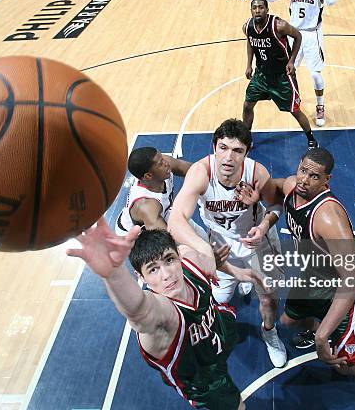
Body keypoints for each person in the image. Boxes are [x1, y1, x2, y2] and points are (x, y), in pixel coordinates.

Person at [239, 148, 355, 404]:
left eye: (314, 176)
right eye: (303, 170)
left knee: (345, 364)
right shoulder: (295, 186)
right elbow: (280, 187)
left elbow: (352, 279)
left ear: (327, 180)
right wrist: (258, 196)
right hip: (315, 274)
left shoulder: (328, 218)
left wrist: (322, 335)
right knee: (289, 320)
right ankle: (323, 326)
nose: (304, 179)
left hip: (348, 286)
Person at [67, 220, 247, 409]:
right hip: (203, 379)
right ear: (141, 277)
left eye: (169, 260)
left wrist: (222, 264)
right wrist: (114, 274)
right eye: (153, 269)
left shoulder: (191, 261)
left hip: (218, 330)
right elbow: (139, 311)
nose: (167, 274)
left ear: (179, 257)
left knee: (226, 322)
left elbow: (179, 217)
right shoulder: (162, 315)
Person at [168, 118, 288, 368]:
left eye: (237, 150)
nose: (229, 157)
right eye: (223, 147)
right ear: (214, 147)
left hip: (259, 244)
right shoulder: (201, 172)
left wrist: (264, 224)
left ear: (247, 151)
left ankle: (269, 332)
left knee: (268, 298)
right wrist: (207, 252)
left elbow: (276, 204)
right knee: (217, 301)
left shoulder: (256, 172)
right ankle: (220, 328)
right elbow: (176, 221)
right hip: (221, 247)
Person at [242, 0, 318, 149]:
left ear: (267, 9)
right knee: (247, 105)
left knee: (294, 110)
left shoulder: (279, 25)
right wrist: (248, 65)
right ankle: (247, 138)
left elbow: (298, 36)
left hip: (282, 76)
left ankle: (311, 139)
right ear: (251, 10)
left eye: (261, 7)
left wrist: (291, 61)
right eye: (254, 8)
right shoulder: (247, 27)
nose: (257, 10)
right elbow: (250, 42)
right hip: (261, 75)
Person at [265, 0, 337, 127]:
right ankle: (293, 98)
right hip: (294, 33)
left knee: (316, 75)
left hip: (312, 35)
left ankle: (320, 106)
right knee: (288, 70)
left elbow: (332, 1)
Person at [115, 147, 191, 235]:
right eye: (160, 163)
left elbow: (197, 170)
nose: (166, 163)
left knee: (196, 235)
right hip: (134, 236)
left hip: (163, 212)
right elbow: (166, 243)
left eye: (162, 158)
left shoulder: (164, 165)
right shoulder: (147, 206)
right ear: (148, 176)